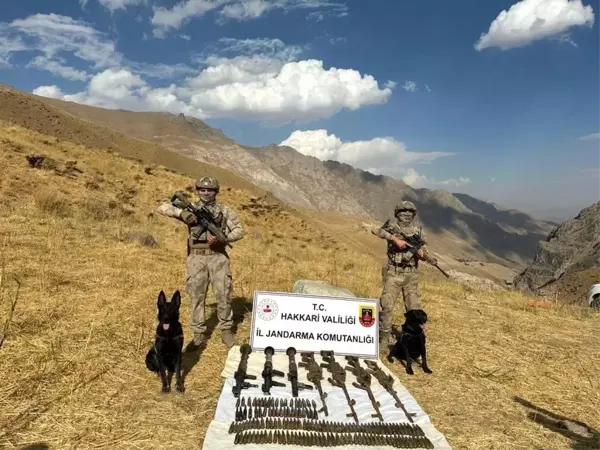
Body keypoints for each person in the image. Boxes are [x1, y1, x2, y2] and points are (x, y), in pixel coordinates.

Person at [156, 176, 243, 350]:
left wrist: (223, 239)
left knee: (223, 294)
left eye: (210, 190)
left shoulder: (224, 211)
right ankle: (198, 335)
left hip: (218, 257)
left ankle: (226, 331)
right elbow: (162, 207)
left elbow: (239, 230)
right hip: (196, 257)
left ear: (215, 192)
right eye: (202, 189)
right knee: (196, 296)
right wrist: (181, 213)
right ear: (198, 191)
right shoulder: (192, 208)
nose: (206, 193)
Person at [372, 200, 427, 349]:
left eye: (410, 212)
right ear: (397, 213)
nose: (406, 214)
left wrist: (422, 254)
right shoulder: (393, 228)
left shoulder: (418, 231)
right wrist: (395, 239)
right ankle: (383, 340)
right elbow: (377, 231)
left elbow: (425, 249)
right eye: (403, 211)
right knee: (387, 306)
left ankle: (413, 341)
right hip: (394, 272)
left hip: (411, 274)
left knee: (414, 309)